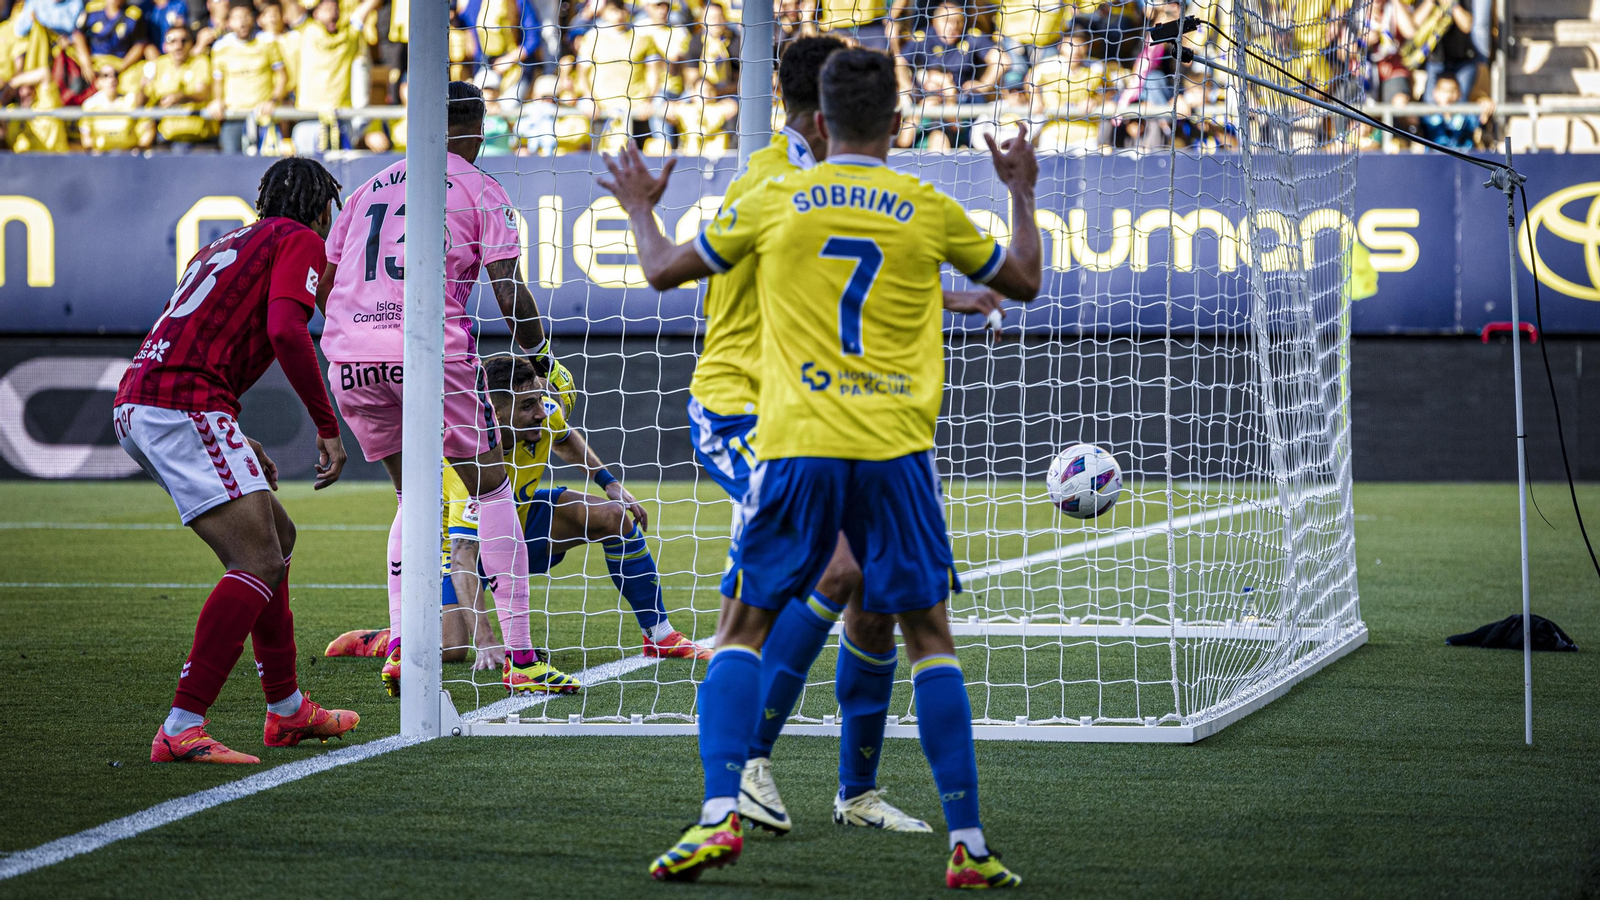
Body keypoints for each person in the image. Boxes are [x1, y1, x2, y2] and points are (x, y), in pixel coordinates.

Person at [601, 47, 1040, 885]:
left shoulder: (776, 199)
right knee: (930, 637)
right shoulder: (922, 203)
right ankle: (970, 845)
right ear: (900, 124)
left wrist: (637, 206)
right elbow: (1022, 277)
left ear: (818, 121)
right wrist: (1021, 190)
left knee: (740, 627)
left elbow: (660, 270)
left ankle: (720, 810)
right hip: (896, 452)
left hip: (797, 439)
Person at [681, 34, 1004, 841]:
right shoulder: (776, 180)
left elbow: (843, 289)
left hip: (817, 412)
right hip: (745, 408)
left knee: (873, 597)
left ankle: (855, 792)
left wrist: (944, 302)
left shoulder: (811, 184)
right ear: (826, 116)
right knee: (841, 565)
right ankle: (749, 759)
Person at [112, 158, 356, 765]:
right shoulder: (298, 238)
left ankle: (286, 708)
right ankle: (183, 724)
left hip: (154, 398)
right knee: (254, 558)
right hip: (180, 405)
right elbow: (284, 329)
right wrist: (328, 427)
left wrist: (236, 435)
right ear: (321, 207)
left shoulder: (228, 243)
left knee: (278, 534)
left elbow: (206, 340)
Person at [318, 81, 551, 698]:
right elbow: (506, 292)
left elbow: (324, 281)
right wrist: (537, 346)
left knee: (412, 495)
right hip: (426, 349)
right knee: (491, 485)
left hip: (350, 355)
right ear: (476, 129)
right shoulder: (480, 187)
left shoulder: (369, 186)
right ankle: (523, 659)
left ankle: (400, 644)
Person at [325, 355, 711, 671]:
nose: (540, 413)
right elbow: (462, 556)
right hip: (455, 556)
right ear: (493, 408)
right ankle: (390, 636)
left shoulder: (543, 412)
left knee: (614, 517)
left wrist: (608, 481)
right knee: (451, 649)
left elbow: (565, 438)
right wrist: (487, 641)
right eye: (528, 406)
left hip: (522, 525)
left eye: (540, 402)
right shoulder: (468, 457)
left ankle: (659, 635)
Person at [207, 0, 287, 154]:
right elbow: (218, 81)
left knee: (267, 166)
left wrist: (274, 100)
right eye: (237, 18)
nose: (242, 23)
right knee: (231, 165)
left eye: (246, 17)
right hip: (233, 116)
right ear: (229, 22)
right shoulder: (221, 47)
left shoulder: (267, 42)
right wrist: (217, 100)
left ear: (253, 19)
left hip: (263, 116)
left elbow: (282, 76)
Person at [139, 24, 217, 148]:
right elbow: (143, 101)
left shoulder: (200, 62)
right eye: (172, 40)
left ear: (191, 44)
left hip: (200, 139)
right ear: (165, 46)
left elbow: (202, 93)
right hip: (167, 139)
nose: (178, 45)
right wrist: (142, 88)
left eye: (184, 40)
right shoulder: (159, 65)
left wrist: (181, 96)